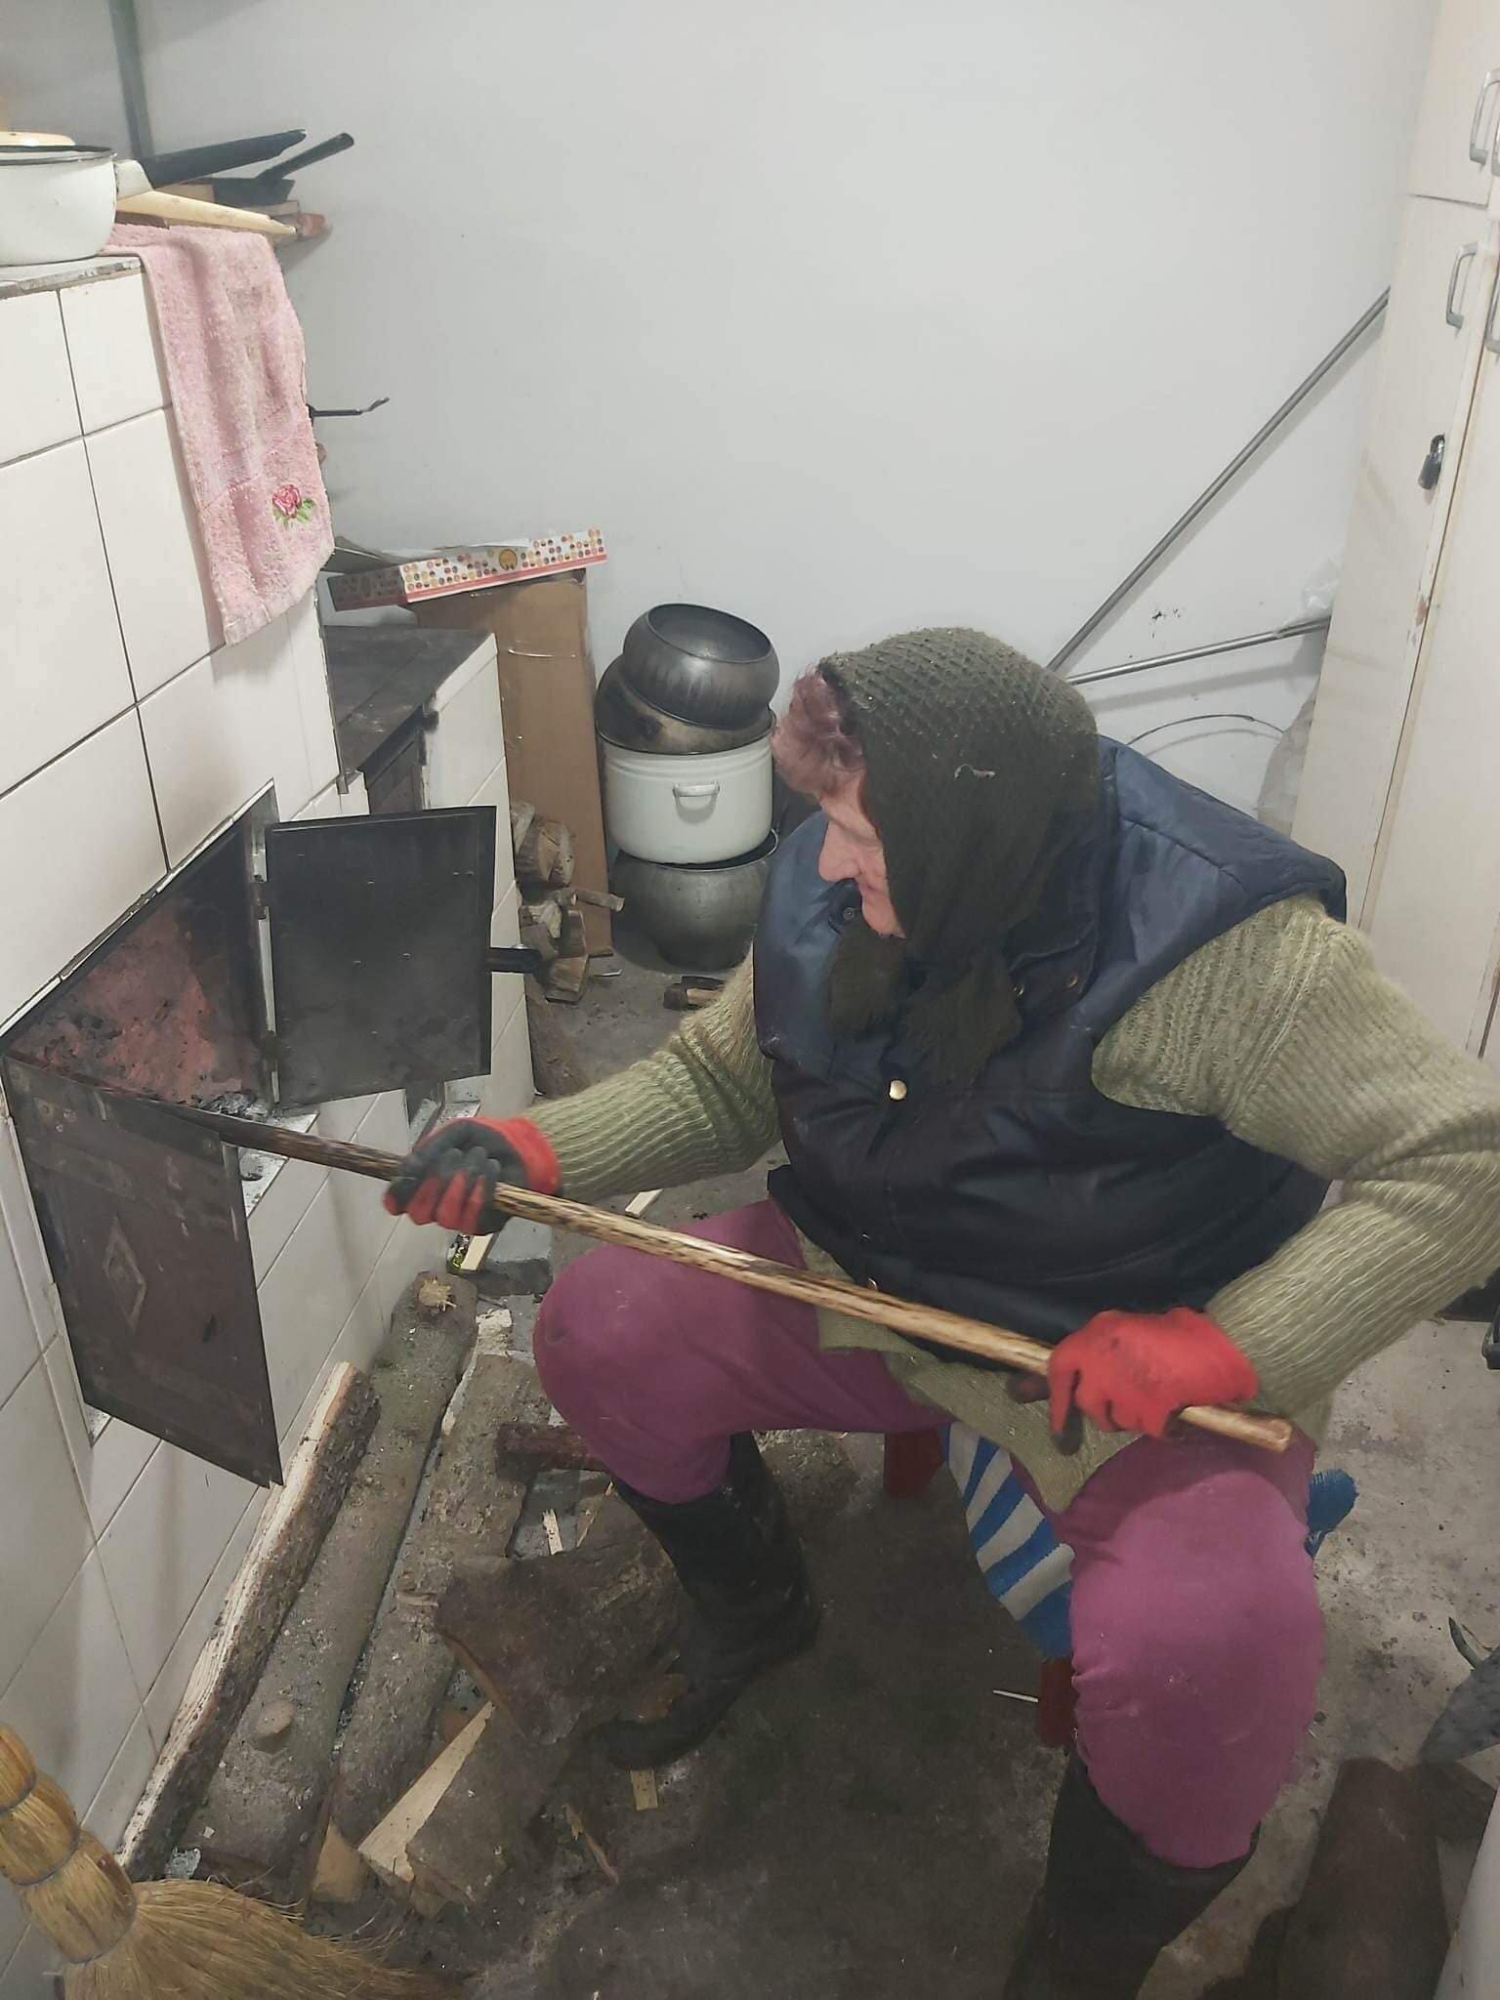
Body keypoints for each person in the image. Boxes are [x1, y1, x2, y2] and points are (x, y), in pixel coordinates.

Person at [387, 630, 1500, 1997]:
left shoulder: (1222, 950)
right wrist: (534, 1149)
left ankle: (1081, 1957)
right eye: (827, 827)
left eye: (861, 838)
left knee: (1213, 1651)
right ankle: (755, 1603)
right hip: (879, 1282)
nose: (827, 864)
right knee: (598, 1329)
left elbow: (1465, 1158)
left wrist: (1231, 1348)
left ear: (965, 843)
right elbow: (723, 1086)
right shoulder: (837, 883)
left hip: (1114, 1360)